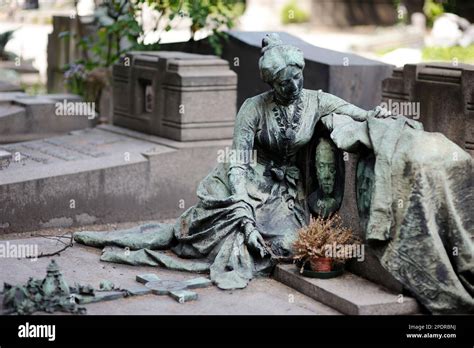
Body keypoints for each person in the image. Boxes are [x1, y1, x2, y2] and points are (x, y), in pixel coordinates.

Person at [74, 33, 388, 290]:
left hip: (286, 192)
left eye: (296, 77)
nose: (293, 87)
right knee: (213, 231)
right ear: (270, 84)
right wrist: (245, 214)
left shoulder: (317, 100)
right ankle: (210, 229)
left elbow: (360, 112)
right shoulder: (253, 109)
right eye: (283, 83)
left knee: (287, 244)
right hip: (247, 178)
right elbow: (237, 162)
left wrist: (380, 115)